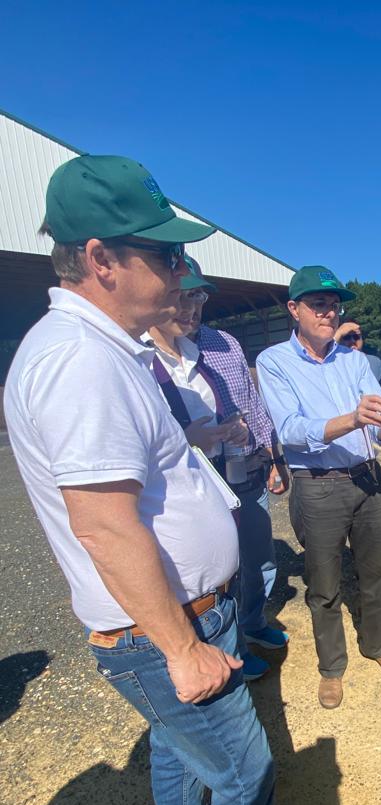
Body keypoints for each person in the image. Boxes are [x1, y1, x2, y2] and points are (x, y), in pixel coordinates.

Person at [3, 155, 350, 805]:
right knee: (249, 772)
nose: (181, 272)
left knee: (177, 746)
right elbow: (105, 524)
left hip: (193, 611)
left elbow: (146, 483)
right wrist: (183, 645)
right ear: (101, 259)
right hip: (166, 630)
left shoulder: (105, 350)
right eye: (163, 255)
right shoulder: (78, 362)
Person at [257, 266, 381, 710]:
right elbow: (289, 429)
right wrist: (353, 418)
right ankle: (331, 666)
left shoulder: (355, 360)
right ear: (295, 309)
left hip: (366, 477)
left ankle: (376, 643)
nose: (329, 312)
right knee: (323, 584)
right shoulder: (274, 362)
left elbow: (375, 427)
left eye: (334, 305)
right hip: (318, 484)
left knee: (375, 571)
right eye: (318, 304)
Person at [147, 256, 289, 682]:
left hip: (243, 471)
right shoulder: (139, 358)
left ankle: (252, 622)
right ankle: (228, 647)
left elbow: (252, 402)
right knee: (216, 570)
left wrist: (272, 456)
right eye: (181, 296)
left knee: (260, 557)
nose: (191, 308)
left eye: (198, 296)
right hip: (190, 488)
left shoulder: (223, 343)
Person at [335, 320, 381, 532]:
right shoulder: (331, 362)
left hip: (376, 429)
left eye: (357, 337)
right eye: (347, 337)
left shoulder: (373, 361)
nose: (353, 342)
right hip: (346, 431)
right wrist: (335, 338)